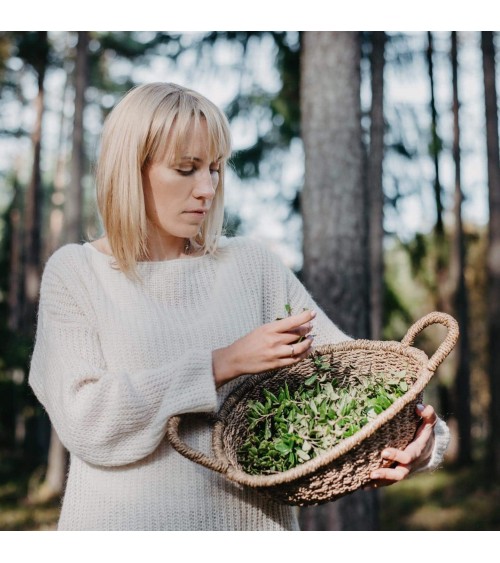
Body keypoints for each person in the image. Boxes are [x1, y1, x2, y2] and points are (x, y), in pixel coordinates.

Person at [29, 82, 450, 531]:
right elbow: (84, 418)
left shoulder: (251, 267)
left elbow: (354, 379)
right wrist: (219, 364)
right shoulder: (75, 273)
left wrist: (424, 442)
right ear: (130, 170)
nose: (207, 188)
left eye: (214, 168)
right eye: (186, 169)